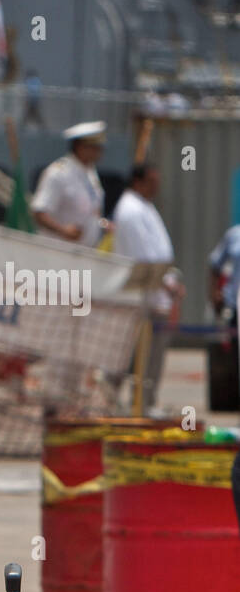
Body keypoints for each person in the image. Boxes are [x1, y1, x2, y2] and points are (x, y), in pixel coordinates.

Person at [112, 163, 184, 410]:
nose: (156, 187)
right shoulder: (130, 210)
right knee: (135, 358)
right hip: (144, 297)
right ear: (138, 181)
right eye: (152, 182)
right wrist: (167, 284)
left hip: (157, 295)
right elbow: (143, 256)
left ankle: (144, 404)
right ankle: (130, 404)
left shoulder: (144, 206)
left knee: (151, 359)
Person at [31, 121, 111, 246]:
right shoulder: (58, 173)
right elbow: (39, 213)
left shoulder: (90, 173)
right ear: (80, 147)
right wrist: (62, 230)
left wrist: (103, 224)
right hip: (58, 253)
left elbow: (91, 210)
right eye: (95, 147)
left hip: (83, 253)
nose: (100, 152)